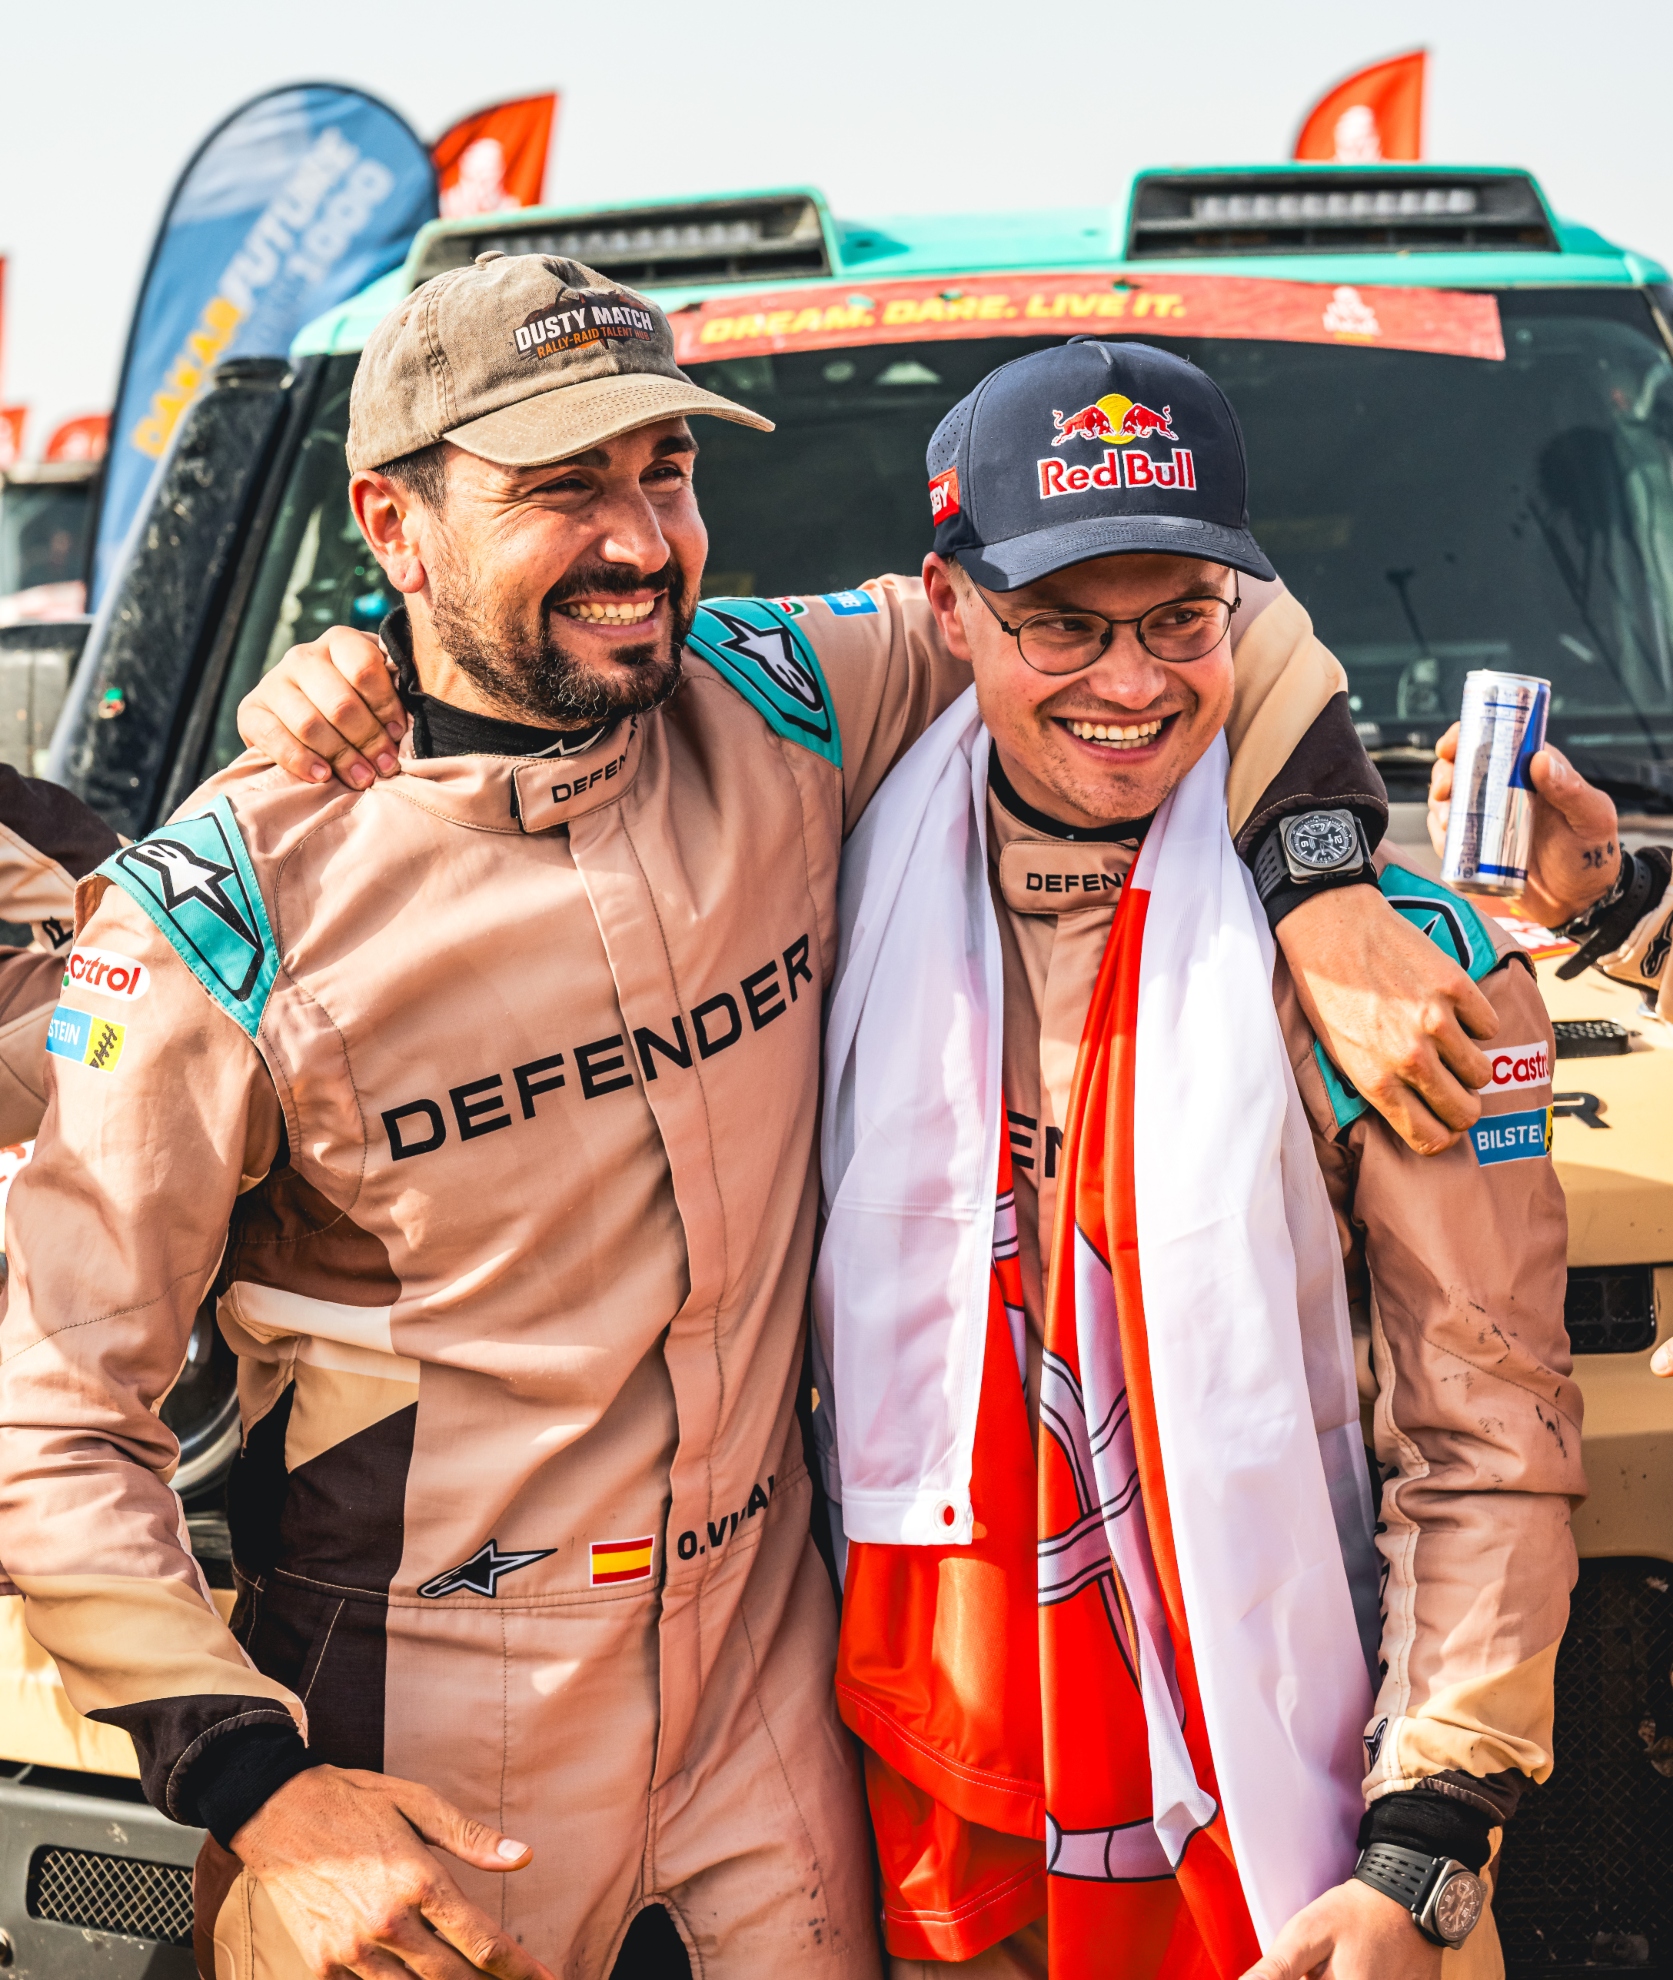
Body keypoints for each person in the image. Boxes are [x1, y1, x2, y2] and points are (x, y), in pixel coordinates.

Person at [0, 253, 1485, 1980]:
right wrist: (256, 1793)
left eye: (666, 471)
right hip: (416, 1735)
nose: (642, 540)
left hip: (771, 1695)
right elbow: (48, 1416)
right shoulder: (224, 908)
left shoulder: (785, 698)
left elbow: (1196, 603)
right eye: (564, 486)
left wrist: (1315, 882)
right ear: (391, 523)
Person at [812, 347, 1581, 1979]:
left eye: (1179, 618)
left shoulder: (1403, 974)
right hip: (915, 1811)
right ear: (949, 614)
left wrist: (1424, 1848)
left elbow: (1488, 1430)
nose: (1132, 680)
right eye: (1065, 625)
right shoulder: (813, 883)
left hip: (1285, 1840)